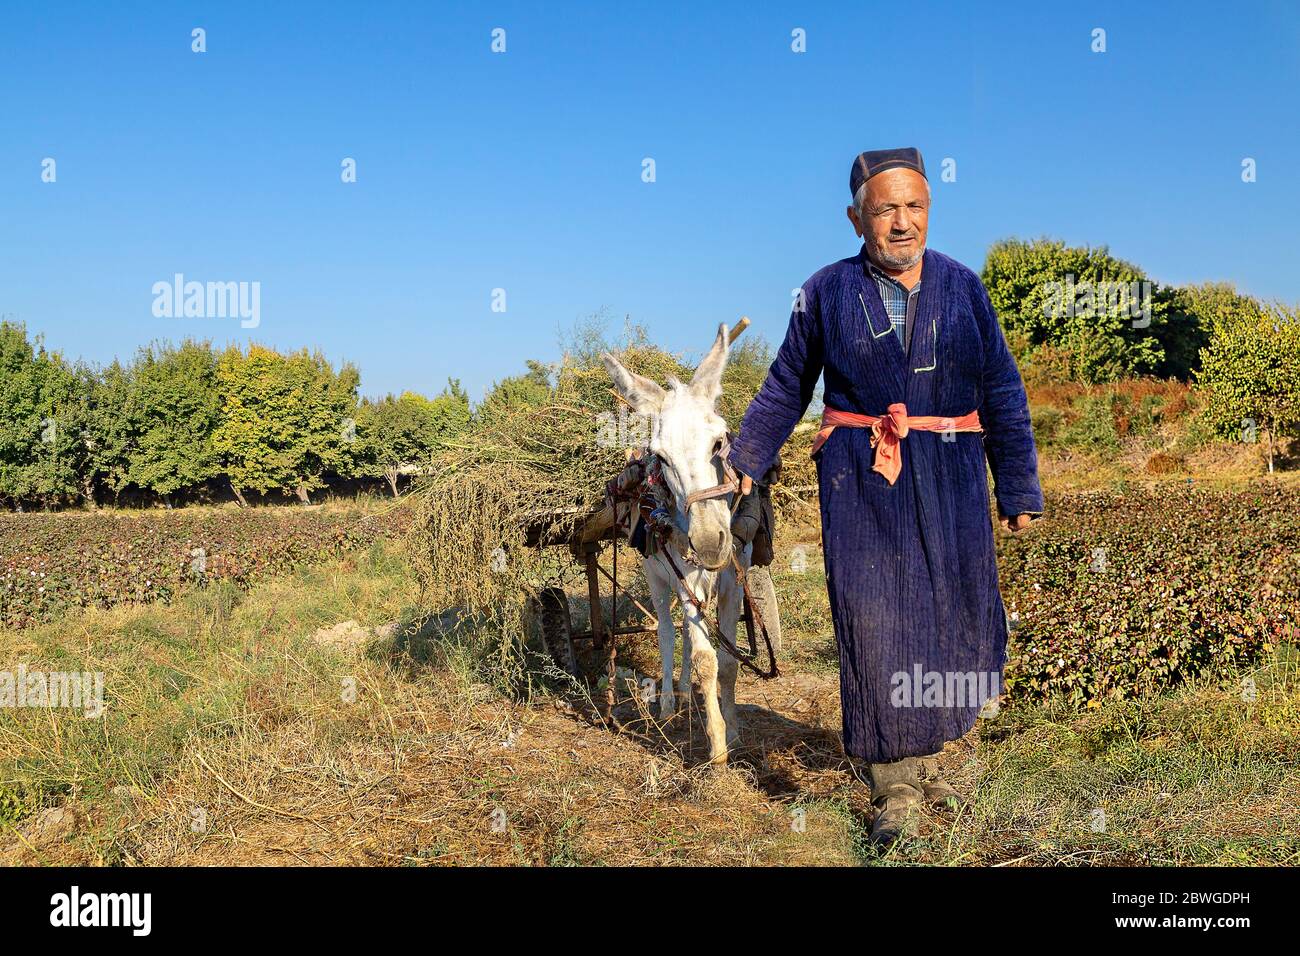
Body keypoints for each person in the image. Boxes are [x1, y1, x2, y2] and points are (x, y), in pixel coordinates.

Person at [727, 147, 1043, 845]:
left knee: (949, 614)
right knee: (874, 622)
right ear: (856, 217)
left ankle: (928, 755)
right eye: (886, 209)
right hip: (860, 477)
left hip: (953, 473)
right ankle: (894, 785)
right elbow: (787, 383)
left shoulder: (964, 288)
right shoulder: (824, 291)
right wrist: (748, 456)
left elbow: (1003, 391)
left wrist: (1017, 483)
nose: (903, 223)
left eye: (915, 208)